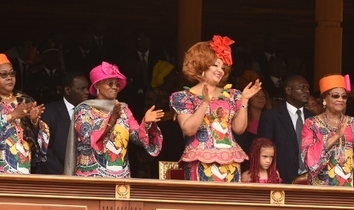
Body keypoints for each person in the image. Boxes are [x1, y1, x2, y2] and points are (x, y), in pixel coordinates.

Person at [170, 35, 260, 182]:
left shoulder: (232, 95)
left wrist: (244, 100)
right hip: (199, 160)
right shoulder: (183, 97)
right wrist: (205, 103)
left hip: (230, 162)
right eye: (215, 65)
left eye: (222, 67)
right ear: (201, 66)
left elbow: (239, 129)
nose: (220, 70)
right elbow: (188, 130)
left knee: (229, 204)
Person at [65, 62, 164, 178]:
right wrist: (111, 121)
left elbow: (137, 138)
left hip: (121, 177)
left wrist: (146, 123)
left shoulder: (124, 109)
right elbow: (87, 140)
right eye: (110, 83)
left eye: (117, 84)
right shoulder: (83, 110)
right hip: (91, 176)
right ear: (97, 86)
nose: (114, 87)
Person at [0, 52, 49, 174]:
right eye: (4, 74)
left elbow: (38, 141)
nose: (9, 78)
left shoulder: (24, 99)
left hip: (22, 168)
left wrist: (34, 122)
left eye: (12, 73)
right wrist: (12, 115)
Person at [302, 74, 354, 187]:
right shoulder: (311, 124)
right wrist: (336, 135)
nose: (340, 100)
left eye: (344, 97)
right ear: (324, 99)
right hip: (321, 186)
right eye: (335, 96)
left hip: (352, 185)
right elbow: (308, 159)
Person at [258, 75, 314, 184]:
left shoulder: (313, 117)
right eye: (302, 88)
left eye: (307, 88)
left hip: (310, 179)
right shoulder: (271, 116)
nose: (307, 91)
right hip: (281, 179)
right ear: (288, 90)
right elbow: (263, 150)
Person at [34, 72, 89, 175]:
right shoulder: (49, 112)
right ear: (68, 90)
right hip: (54, 176)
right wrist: (63, 173)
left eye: (87, 88)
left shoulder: (90, 111)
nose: (86, 92)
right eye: (81, 89)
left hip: (84, 174)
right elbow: (44, 147)